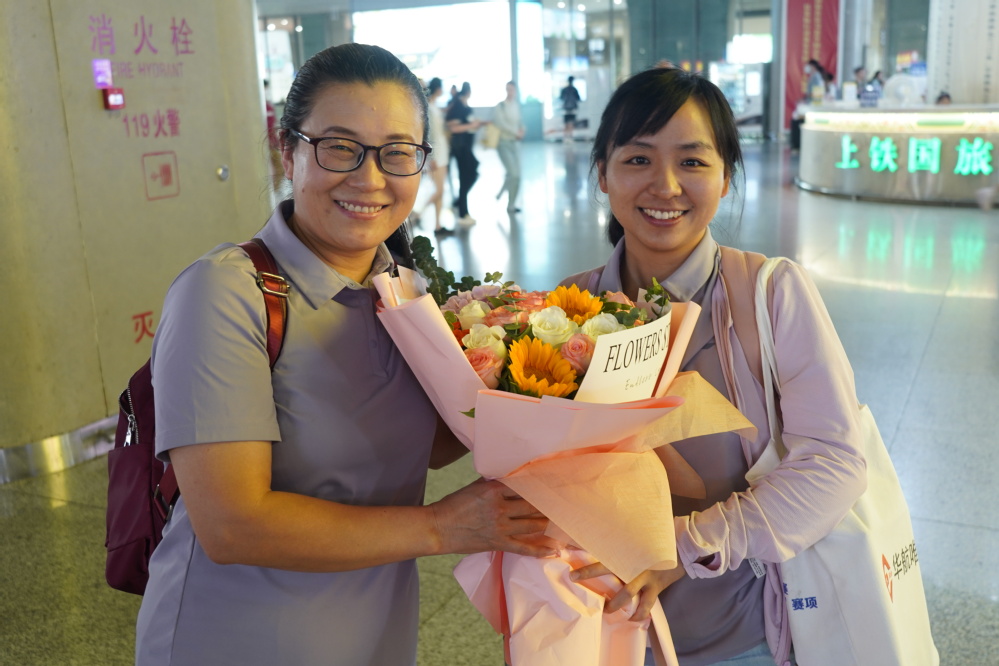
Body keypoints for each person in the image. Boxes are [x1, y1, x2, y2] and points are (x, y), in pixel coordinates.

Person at [134, 43, 554, 666]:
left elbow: (421, 444)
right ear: (288, 151)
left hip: (375, 629)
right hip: (239, 637)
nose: (370, 177)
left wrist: (538, 385)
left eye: (397, 152)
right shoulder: (225, 293)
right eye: (339, 147)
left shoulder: (405, 292)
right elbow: (232, 525)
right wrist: (442, 526)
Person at [563, 66, 866, 666]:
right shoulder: (567, 309)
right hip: (599, 636)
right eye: (638, 159)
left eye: (693, 161)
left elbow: (835, 462)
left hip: (741, 638)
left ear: (726, 176)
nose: (665, 185)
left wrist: (682, 547)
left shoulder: (770, 294)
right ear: (602, 173)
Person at [445, 81, 483, 227]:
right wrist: (471, 125)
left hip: (466, 146)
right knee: (466, 176)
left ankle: (460, 202)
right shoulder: (458, 106)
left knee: (471, 173)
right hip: (460, 147)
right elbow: (453, 127)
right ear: (468, 92)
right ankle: (462, 212)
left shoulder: (464, 105)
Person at [422, 77, 453, 236]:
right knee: (439, 190)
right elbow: (428, 135)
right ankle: (417, 213)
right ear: (438, 88)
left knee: (440, 190)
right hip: (436, 154)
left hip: (442, 152)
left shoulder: (434, 106)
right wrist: (431, 157)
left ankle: (438, 225)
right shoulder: (428, 107)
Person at [493, 80, 526, 213]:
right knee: (514, 174)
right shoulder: (500, 106)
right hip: (503, 143)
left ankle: (509, 201)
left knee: (515, 175)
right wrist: (515, 133)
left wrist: (522, 130)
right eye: (508, 89)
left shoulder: (516, 106)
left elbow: (520, 122)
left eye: (512, 89)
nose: (510, 92)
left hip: (515, 144)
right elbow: (501, 124)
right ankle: (509, 202)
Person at [559, 75, 582, 140]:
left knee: (566, 124)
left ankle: (566, 138)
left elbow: (561, 98)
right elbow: (578, 98)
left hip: (565, 109)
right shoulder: (574, 89)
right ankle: (570, 138)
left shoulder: (564, 89)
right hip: (573, 108)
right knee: (571, 124)